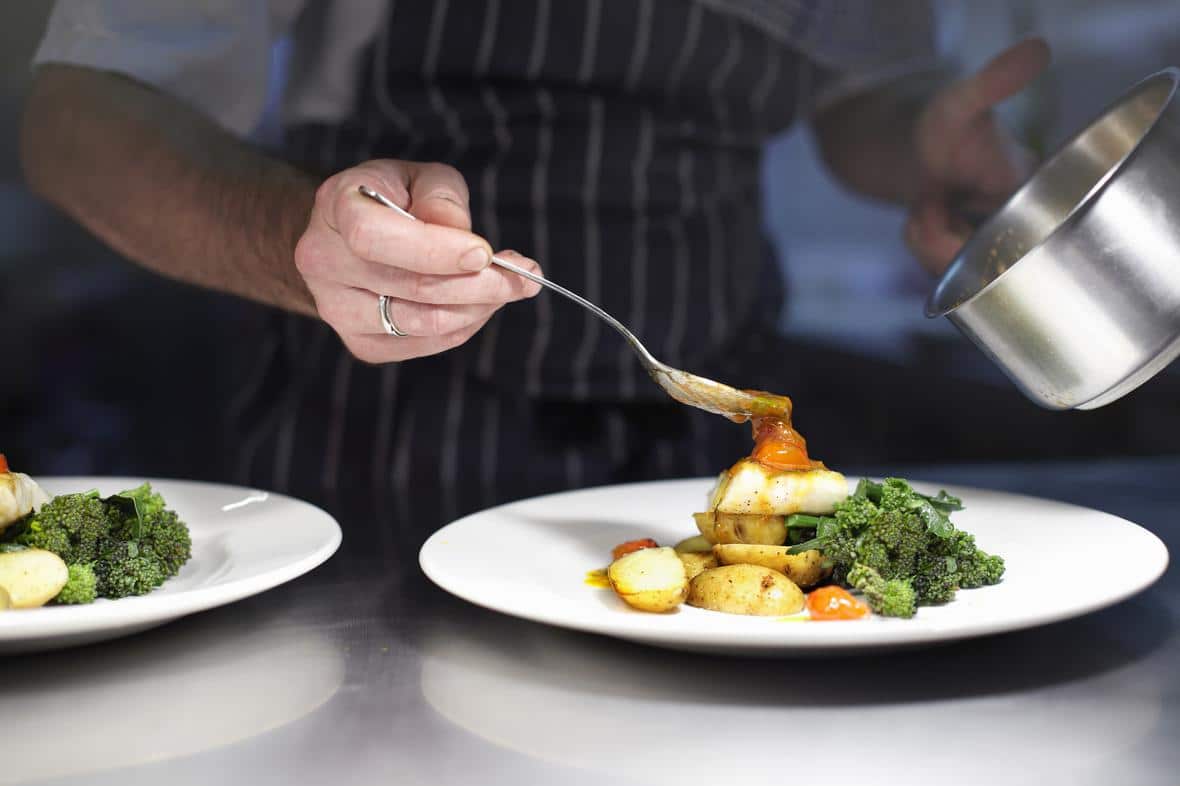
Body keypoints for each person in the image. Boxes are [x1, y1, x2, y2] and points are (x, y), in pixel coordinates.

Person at [21, 1, 1049, 541]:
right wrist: (301, 235)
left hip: (710, 414)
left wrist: (921, 136)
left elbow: (860, 98)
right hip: (385, 432)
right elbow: (78, 118)